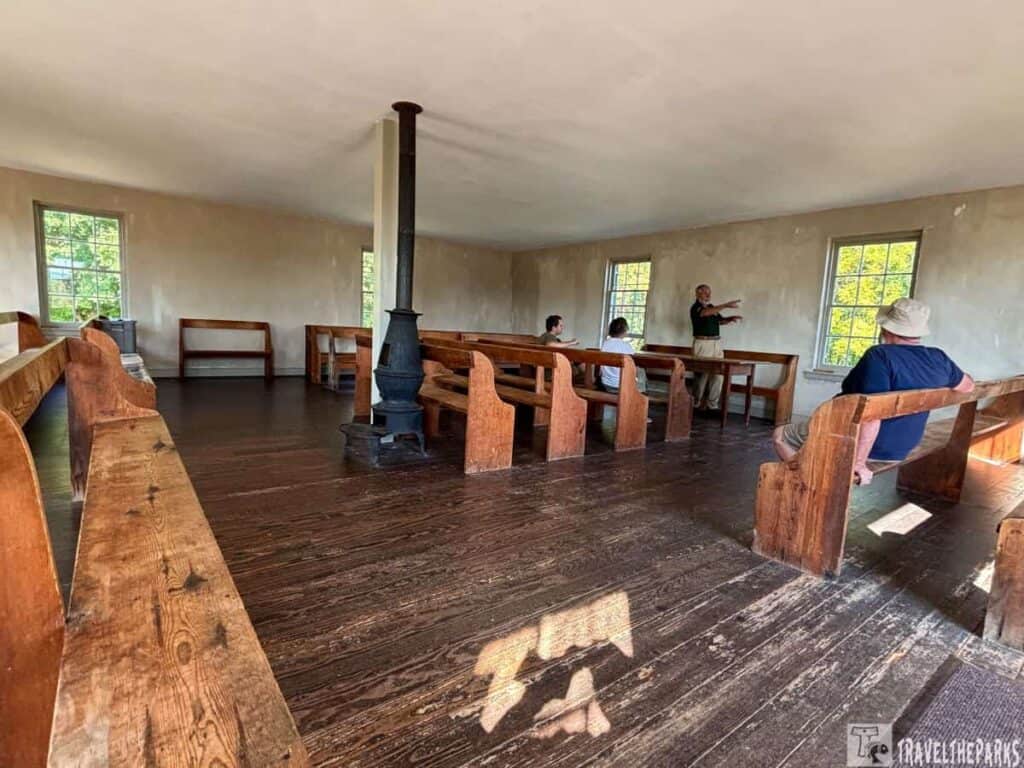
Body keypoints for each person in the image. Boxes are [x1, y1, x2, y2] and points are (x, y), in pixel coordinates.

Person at [773, 298, 974, 485]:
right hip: (905, 443)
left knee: (781, 435)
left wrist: (858, 463)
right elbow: (968, 386)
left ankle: (808, 482)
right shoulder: (938, 357)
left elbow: (871, 414)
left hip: (860, 440)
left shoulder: (879, 355)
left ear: (888, 328)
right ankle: (816, 475)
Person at [690, 284, 742, 410]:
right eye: (705, 293)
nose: (708, 295)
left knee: (719, 374)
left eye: (709, 292)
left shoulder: (712, 307)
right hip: (703, 344)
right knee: (702, 374)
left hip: (716, 344)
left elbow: (719, 320)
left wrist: (730, 319)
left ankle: (712, 405)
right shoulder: (696, 308)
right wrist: (725, 305)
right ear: (698, 294)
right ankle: (695, 404)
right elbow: (705, 313)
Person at [599, 317, 647, 393]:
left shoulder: (605, 344)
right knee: (641, 370)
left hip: (606, 384)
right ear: (624, 330)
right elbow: (633, 364)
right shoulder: (626, 346)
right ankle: (641, 394)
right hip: (622, 385)